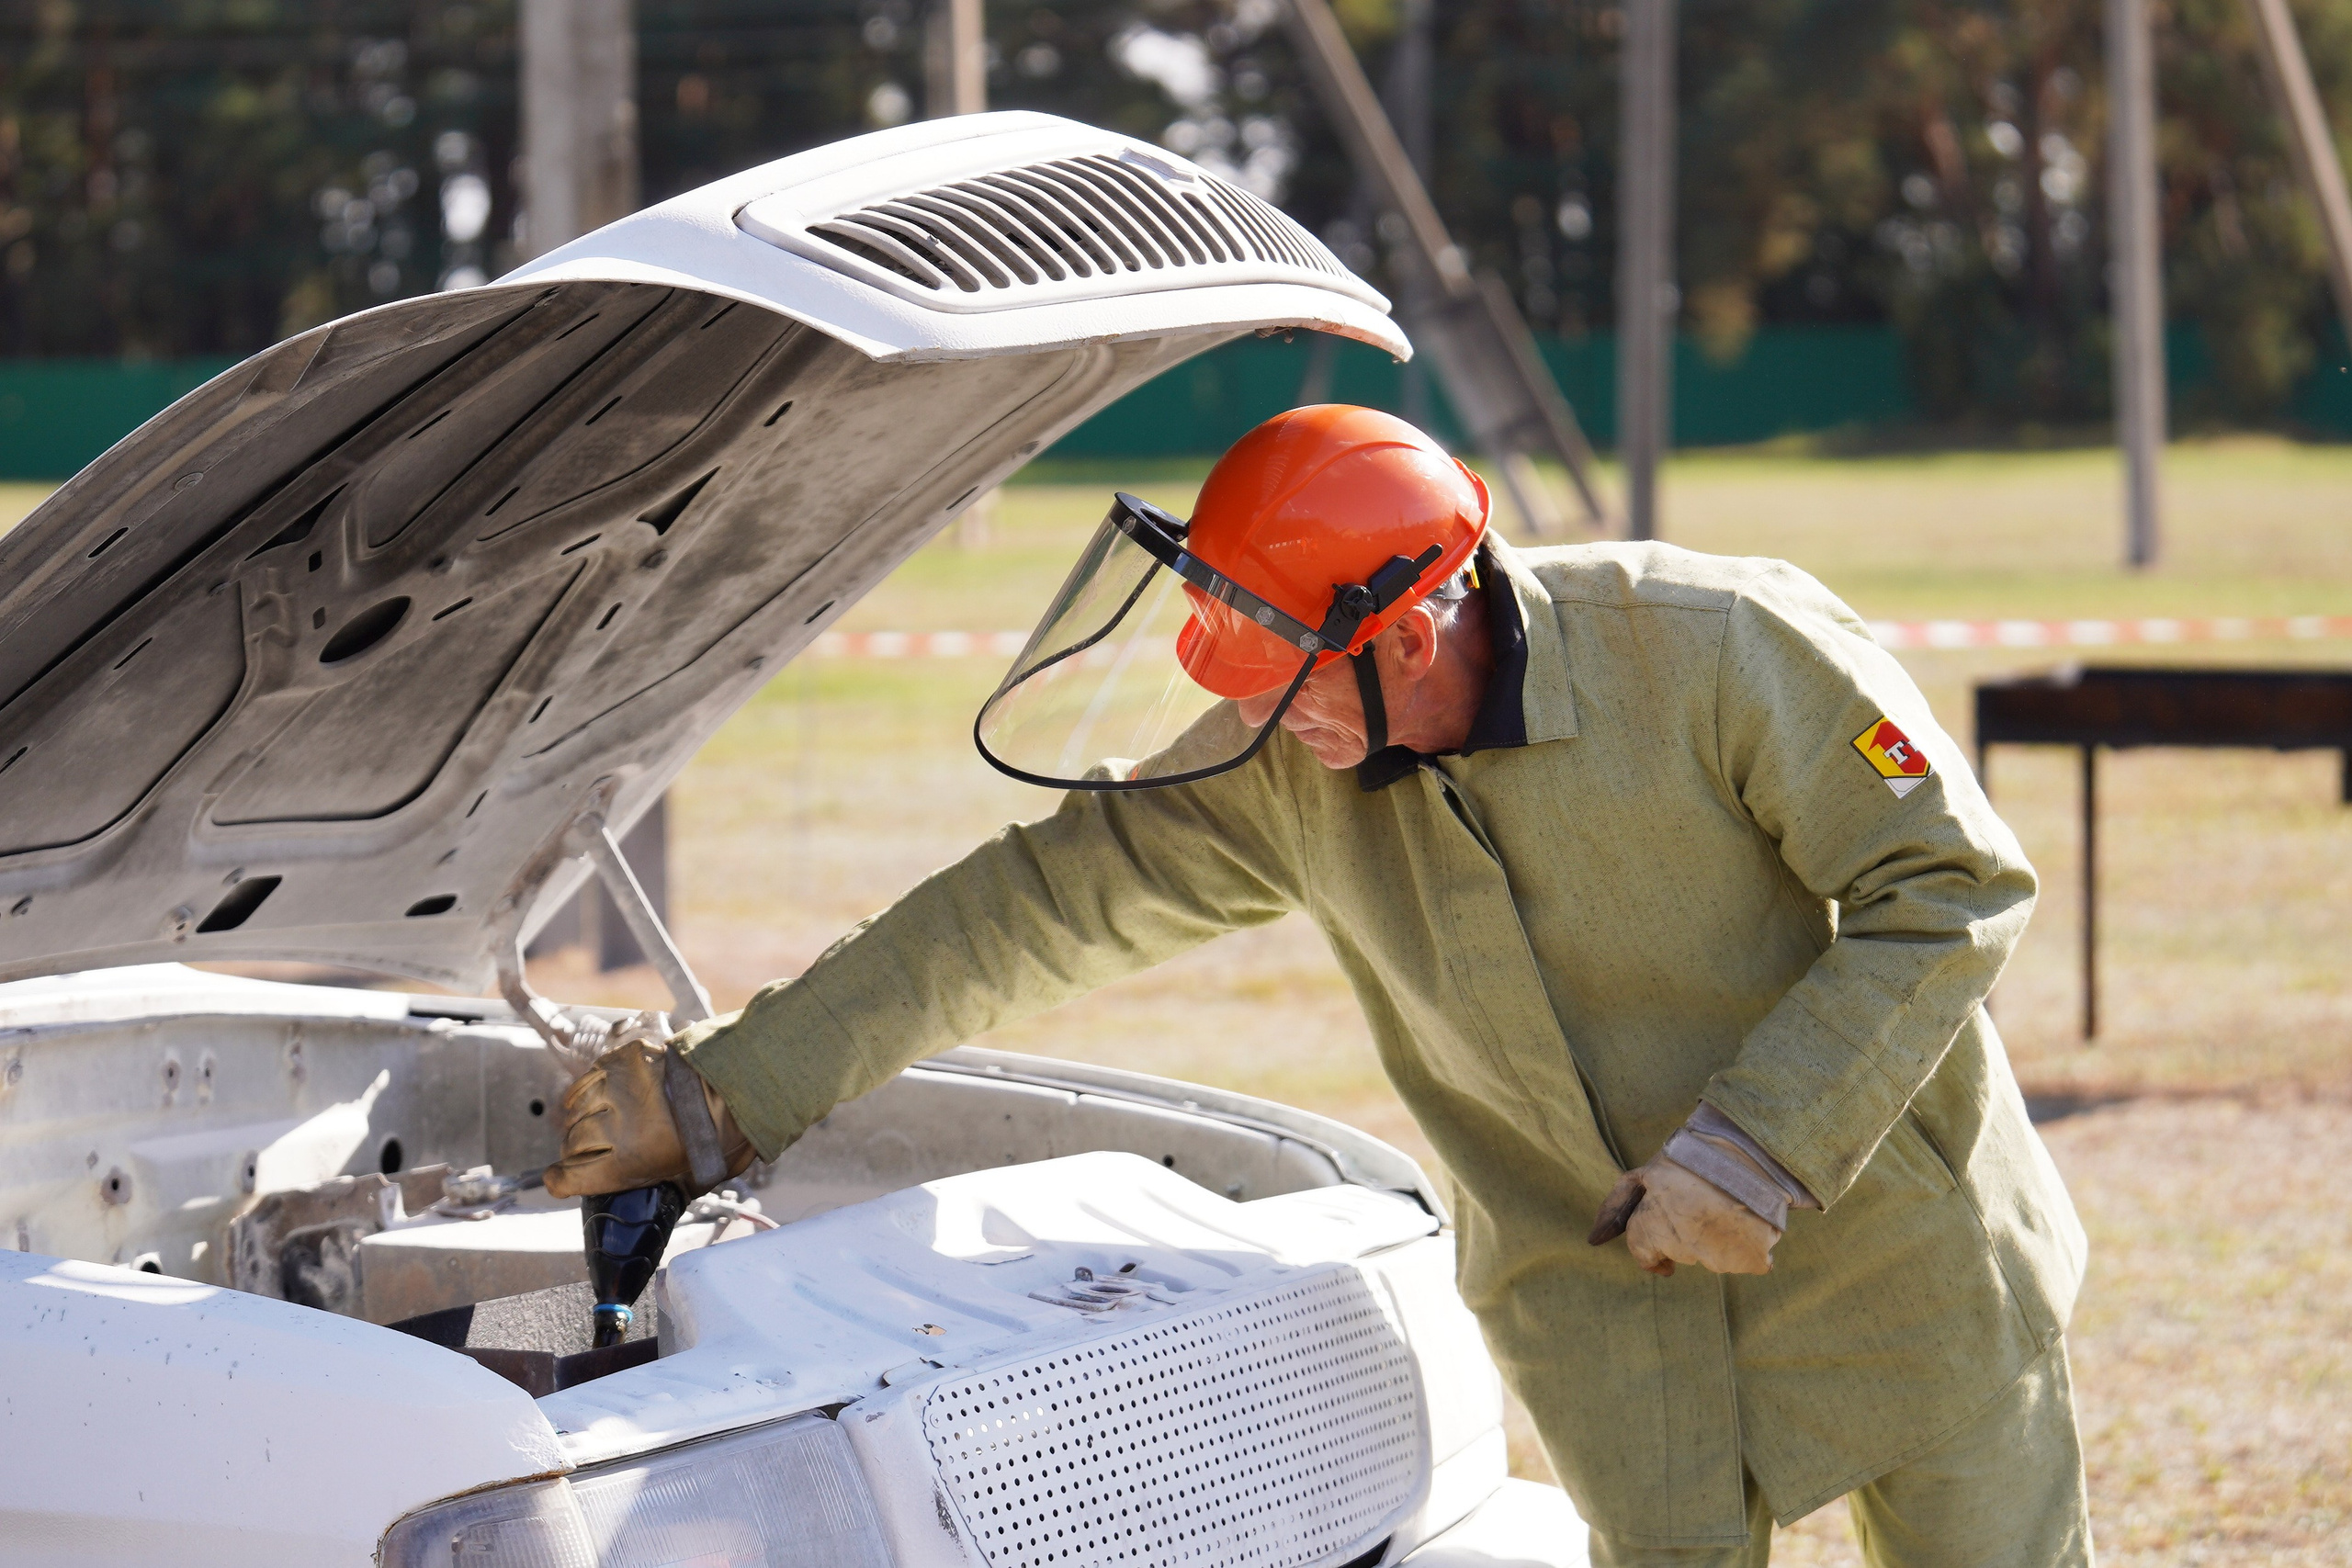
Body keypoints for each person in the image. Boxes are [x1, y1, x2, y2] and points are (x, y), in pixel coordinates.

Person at [545, 405, 2091, 1567]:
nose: (1265, 721)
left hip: (1897, 1258)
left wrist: (1758, 1144)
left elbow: (1950, 882)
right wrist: (720, 1092)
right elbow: (1032, 903)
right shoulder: (1288, 755)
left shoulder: (1719, 646)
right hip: (1608, 1307)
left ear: (1412, 621)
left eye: (1282, 677)